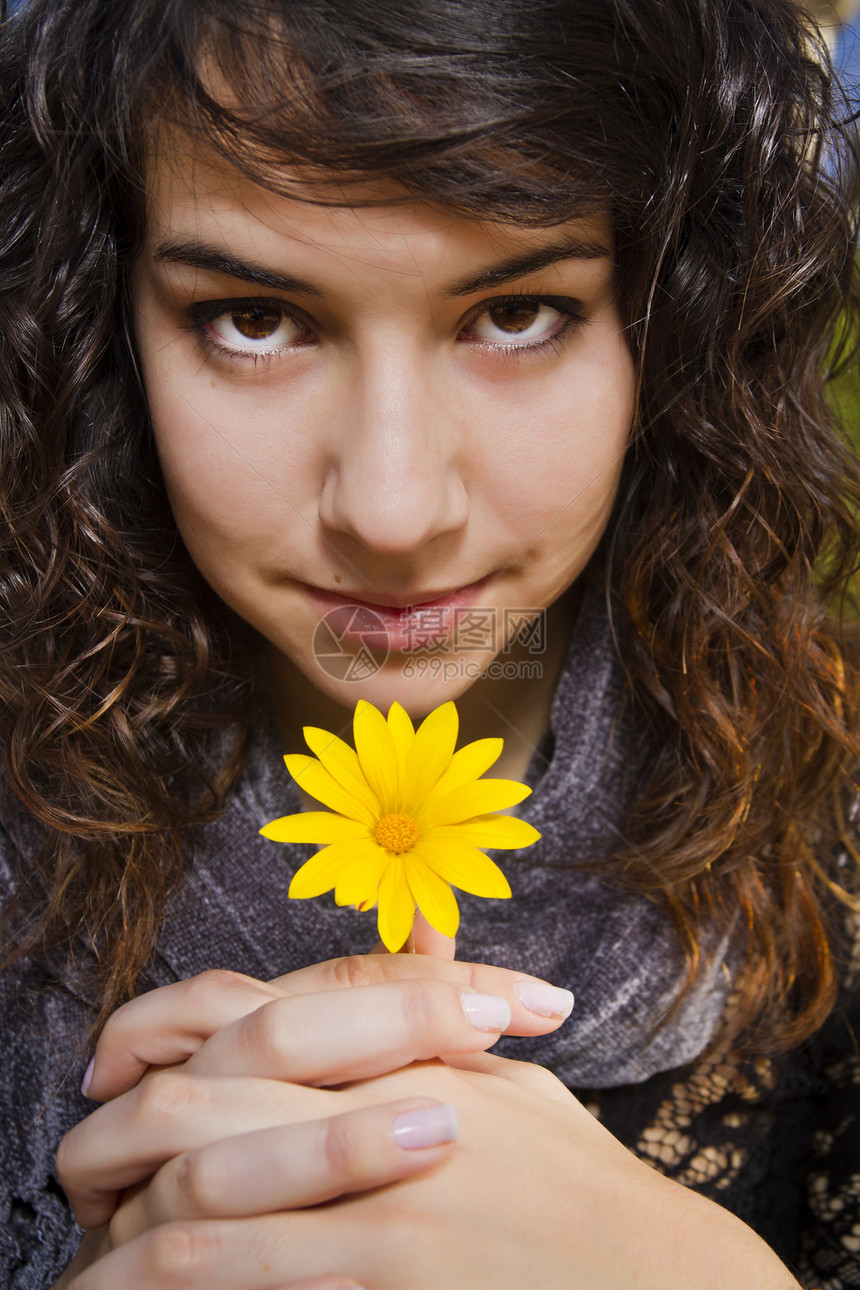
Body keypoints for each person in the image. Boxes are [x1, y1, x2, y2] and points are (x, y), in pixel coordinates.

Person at [1, 0, 859, 1285]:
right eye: (255, 318)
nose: (393, 513)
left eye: (515, 312)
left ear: (673, 321)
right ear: (104, 327)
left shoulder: (830, 804)